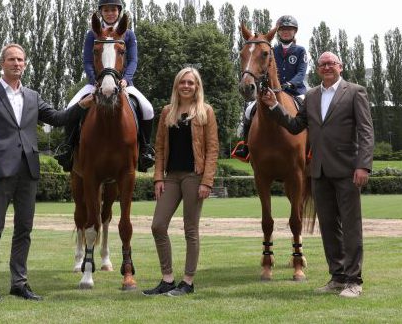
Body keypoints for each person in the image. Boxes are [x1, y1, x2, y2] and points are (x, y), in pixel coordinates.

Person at [0, 43, 93, 302]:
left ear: (25, 64)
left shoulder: (33, 96)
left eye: (21, 60)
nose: (17, 64)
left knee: (24, 231)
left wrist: (83, 105)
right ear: (2, 63)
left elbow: (59, 118)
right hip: (0, 173)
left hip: (28, 172)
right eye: (12, 59)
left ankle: (19, 283)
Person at [259, 51, 374, 298]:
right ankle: (337, 277)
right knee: (329, 228)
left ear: (340, 67)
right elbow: (295, 126)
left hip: (347, 170)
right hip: (319, 171)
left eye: (331, 63)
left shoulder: (355, 92)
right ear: (318, 69)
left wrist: (363, 165)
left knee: (351, 227)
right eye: (322, 64)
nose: (327, 67)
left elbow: (366, 131)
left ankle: (354, 281)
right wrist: (274, 107)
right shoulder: (311, 96)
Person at [56, 0, 155, 172]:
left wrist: (126, 79)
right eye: (106, 10)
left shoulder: (128, 34)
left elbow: (133, 60)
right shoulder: (92, 34)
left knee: (147, 108)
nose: (110, 13)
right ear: (101, 12)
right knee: (71, 106)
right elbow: (87, 61)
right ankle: (67, 148)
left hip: (124, 83)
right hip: (96, 83)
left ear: (118, 11)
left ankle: (145, 150)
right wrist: (95, 81)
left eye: (113, 10)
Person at [142, 67, 219, 297]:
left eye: (191, 83)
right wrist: (158, 177)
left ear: (197, 87)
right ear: (177, 86)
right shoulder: (167, 112)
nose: (186, 86)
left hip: (194, 176)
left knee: (190, 230)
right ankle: (167, 279)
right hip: (171, 176)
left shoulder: (206, 112)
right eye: (182, 82)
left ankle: (188, 282)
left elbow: (213, 149)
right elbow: (160, 148)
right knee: (158, 225)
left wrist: (207, 181)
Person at [232, 15, 307, 161]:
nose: (286, 32)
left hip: (296, 91)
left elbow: (301, 73)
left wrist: (290, 84)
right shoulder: (271, 50)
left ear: (295, 32)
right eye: (283, 29)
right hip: (271, 92)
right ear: (278, 32)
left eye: (289, 29)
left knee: (310, 111)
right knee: (248, 111)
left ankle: (312, 146)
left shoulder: (300, 50)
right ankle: (246, 146)